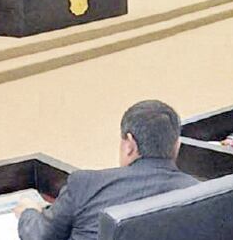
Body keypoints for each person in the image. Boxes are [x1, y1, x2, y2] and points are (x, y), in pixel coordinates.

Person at [15, 100, 198, 240]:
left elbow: (41, 235)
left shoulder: (86, 184)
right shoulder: (201, 194)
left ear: (129, 145)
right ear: (177, 146)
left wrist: (28, 213)